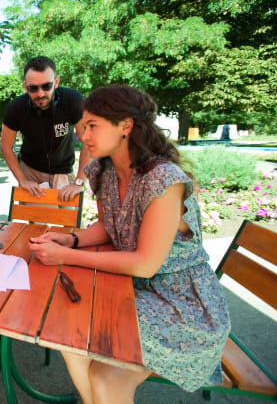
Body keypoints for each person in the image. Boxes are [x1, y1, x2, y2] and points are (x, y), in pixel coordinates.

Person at [29, 85, 230, 404]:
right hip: (136, 289)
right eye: (83, 126)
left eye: (92, 125)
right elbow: (111, 227)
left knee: (100, 369)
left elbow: (144, 263)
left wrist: (65, 256)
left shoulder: (163, 181)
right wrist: (69, 238)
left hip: (182, 308)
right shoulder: (105, 170)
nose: (83, 135)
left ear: (126, 126)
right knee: (67, 331)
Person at [1, 56, 90, 201]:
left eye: (46, 86)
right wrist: (23, 180)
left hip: (63, 171)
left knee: (67, 221)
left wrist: (79, 182)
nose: (40, 93)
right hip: (30, 170)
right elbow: (6, 147)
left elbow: (88, 141)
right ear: (25, 87)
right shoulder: (15, 108)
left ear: (56, 82)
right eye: (33, 88)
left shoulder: (73, 100)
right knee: (37, 222)